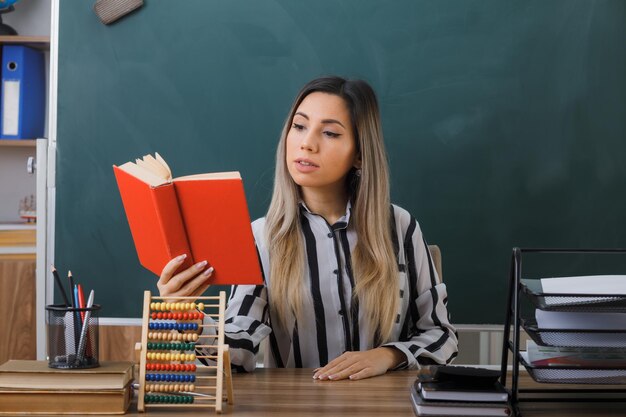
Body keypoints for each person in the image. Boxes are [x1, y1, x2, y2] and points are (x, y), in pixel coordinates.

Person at [158, 76, 458, 380]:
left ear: (359, 154)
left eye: (329, 132)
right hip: (297, 406)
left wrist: (387, 355)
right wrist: (187, 317)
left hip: (385, 405)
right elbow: (239, 352)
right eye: (299, 126)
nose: (307, 143)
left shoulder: (400, 227)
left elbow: (442, 337)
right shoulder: (262, 238)